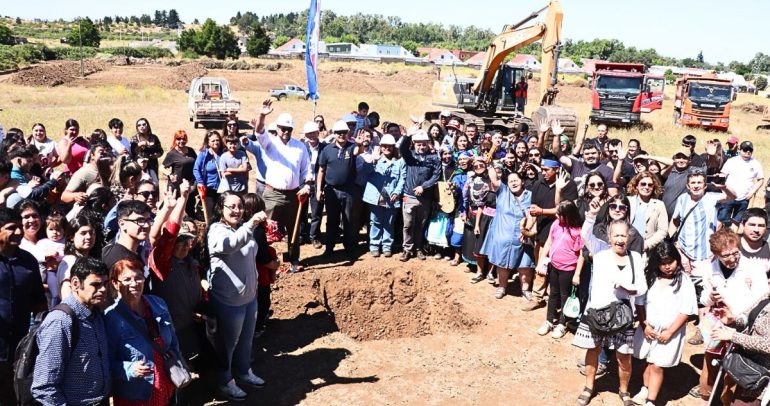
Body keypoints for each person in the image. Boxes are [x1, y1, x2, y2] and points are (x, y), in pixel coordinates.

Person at [573, 221, 647, 406]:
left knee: (624, 356)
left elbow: (643, 287)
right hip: (598, 313)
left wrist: (630, 289)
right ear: (609, 238)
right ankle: (589, 386)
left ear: (629, 238)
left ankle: (624, 391)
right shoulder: (600, 254)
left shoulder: (636, 257)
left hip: (623, 316)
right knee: (594, 350)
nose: (620, 240)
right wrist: (590, 215)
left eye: (623, 236)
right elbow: (585, 235)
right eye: (616, 236)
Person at [695, 230, 770, 403]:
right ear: (716, 255)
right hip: (717, 323)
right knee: (712, 362)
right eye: (726, 255)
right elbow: (704, 299)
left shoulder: (753, 268)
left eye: (735, 253)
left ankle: (726, 399)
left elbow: (761, 303)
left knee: (735, 369)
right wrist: (711, 298)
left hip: (743, 327)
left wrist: (736, 318)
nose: (732, 258)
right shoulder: (710, 268)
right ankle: (708, 395)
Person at [207, 192, 267, 400]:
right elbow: (230, 245)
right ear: (220, 209)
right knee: (228, 345)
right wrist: (250, 225)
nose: (236, 210)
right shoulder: (216, 231)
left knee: (246, 341)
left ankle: (243, 372)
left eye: (240, 206)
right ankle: (226, 382)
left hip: (249, 297)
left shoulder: (242, 229)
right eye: (231, 206)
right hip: (229, 301)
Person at [242, 101, 312, 273]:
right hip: (272, 194)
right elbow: (259, 131)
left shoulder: (300, 147)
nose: (285, 132)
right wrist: (262, 115)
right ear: (278, 128)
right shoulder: (270, 143)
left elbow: (306, 170)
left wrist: (308, 185)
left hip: (294, 194)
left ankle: (293, 260)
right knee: (268, 228)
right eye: (282, 128)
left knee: (293, 230)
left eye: (289, 129)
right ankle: (265, 261)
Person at [32, 257, 111, 406]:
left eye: (105, 284)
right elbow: (44, 386)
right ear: (75, 284)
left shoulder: (96, 315)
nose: (103, 290)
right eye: (96, 284)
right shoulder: (60, 321)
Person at [105, 257, 181, 405]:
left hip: (166, 383)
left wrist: (177, 362)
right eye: (127, 279)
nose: (134, 284)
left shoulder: (158, 304)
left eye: (139, 277)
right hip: (136, 393)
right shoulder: (111, 318)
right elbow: (105, 363)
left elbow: (174, 341)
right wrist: (129, 368)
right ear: (115, 283)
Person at [631, 241, 697, 406]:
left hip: (670, 332)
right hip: (649, 329)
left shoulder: (684, 281)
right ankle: (645, 388)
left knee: (658, 365)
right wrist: (644, 325)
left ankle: (651, 401)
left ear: (677, 260)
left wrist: (670, 332)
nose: (667, 267)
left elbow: (686, 311)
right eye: (662, 263)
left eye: (671, 262)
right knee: (648, 360)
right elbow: (640, 303)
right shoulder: (650, 278)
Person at [524, 159, 578, 311]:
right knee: (541, 265)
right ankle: (539, 296)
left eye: (547, 170)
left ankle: (541, 297)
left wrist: (542, 211)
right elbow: (533, 209)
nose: (543, 172)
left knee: (556, 269)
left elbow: (565, 209)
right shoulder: (538, 184)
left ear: (556, 169)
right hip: (541, 233)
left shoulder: (569, 184)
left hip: (562, 234)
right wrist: (528, 227)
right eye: (542, 169)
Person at [480, 170, 536, 299]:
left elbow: (533, 214)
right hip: (503, 236)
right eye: (510, 181)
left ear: (522, 181)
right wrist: (491, 157)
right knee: (502, 264)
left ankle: (525, 290)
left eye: (516, 180)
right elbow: (493, 178)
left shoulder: (531, 195)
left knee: (525, 265)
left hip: (523, 237)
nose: (513, 183)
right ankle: (502, 287)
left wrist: (527, 230)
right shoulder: (503, 192)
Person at [709, 294, 770, 405]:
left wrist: (733, 336)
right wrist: (732, 320)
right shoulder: (766, 297)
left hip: (760, 377)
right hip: (743, 366)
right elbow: (747, 318)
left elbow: (768, 345)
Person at [536, 200, 584, 338]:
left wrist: (577, 274)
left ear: (568, 215)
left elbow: (581, 254)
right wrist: (541, 262)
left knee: (565, 297)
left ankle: (562, 324)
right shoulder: (556, 224)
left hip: (568, 269)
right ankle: (549, 321)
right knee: (553, 294)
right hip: (554, 266)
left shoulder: (578, 231)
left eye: (560, 214)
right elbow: (549, 242)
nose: (557, 216)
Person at [316, 120, 364, 259]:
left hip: (348, 191)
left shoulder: (351, 147)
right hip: (331, 190)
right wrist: (319, 190)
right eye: (338, 133)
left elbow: (358, 151)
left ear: (347, 133)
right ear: (334, 134)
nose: (342, 135)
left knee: (349, 220)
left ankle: (349, 249)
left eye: (344, 132)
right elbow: (321, 170)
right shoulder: (327, 150)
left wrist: (360, 144)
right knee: (332, 220)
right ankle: (329, 248)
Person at [399, 129, 440, 261]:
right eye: (418, 144)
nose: (421, 147)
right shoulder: (409, 156)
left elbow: (436, 176)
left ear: (428, 143)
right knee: (408, 224)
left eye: (423, 144)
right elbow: (402, 147)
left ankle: (418, 248)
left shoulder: (433, 158)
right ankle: (407, 249)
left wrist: (424, 186)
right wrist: (408, 135)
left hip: (425, 198)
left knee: (420, 225)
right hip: (408, 196)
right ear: (414, 144)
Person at [363, 134, 404, 258]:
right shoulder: (374, 160)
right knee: (375, 221)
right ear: (380, 147)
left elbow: (402, 179)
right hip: (376, 198)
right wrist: (372, 160)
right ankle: (374, 246)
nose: (387, 148)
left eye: (390, 146)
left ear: (393, 147)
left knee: (389, 223)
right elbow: (365, 171)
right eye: (384, 146)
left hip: (391, 198)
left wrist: (397, 192)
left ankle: (387, 246)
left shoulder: (399, 162)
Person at [719, 140, 764, 229]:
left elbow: (760, 179)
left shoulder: (756, 163)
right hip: (728, 197)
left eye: (750, 150)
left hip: (744, 198)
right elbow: (722, 176)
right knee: (721, 219)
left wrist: (752, 192)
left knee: (736, 222)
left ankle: (731, 241)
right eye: (745, 149)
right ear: (740, 149)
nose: (748, 152)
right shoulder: (731, 161)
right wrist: (723, 191)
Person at [58, 214, 101, 300]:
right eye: (83, 233)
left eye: (92, 233)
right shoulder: (70, 261)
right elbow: (66, 296)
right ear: (71, 237)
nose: (89, 237)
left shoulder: (93, 259)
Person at [102, 200, 151, 270]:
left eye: (148, 220)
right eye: (140, 221)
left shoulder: (135, 253)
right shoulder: (121, 260)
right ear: (122, 224)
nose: (146, 225)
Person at [626, 171, 668, 253]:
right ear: (637, 186)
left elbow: (663, 230)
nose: (646, 187)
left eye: (650, 185)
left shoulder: (659, 205)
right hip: (627, 247)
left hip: (647, 249)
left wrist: (647, 244)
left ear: (653, 187)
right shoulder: (628, 201)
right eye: (643, 184)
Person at [300, 121, 326, 248]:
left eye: (314, 133)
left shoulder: (325, 148)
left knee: (316, 212)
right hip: (302, 183)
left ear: (318, 133)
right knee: (301, 211)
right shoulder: (300, 147)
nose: (312, 136)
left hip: (318, 184)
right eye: (309, 133)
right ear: (305, 134)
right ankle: (301, 234)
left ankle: (314, 236)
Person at [193, 130, 223, 221]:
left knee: (220, 215)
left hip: (222, 189)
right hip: (208, 189)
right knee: (210, 216)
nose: (216, 143)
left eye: (217, 140)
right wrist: (201, 183)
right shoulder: (204, 154)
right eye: (213, 141)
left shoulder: (223, 153)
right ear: (208, 142)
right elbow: (196, 169)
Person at [739, 208, 770, 279]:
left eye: (761, 226)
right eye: (752, 225)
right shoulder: (729, 245)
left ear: (766, 229)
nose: (756, 230)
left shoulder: (768, 248)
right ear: (742, 225)